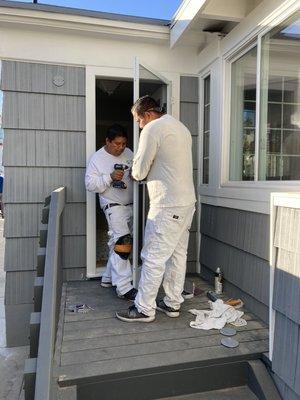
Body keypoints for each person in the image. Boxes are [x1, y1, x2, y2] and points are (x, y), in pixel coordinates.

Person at [116, 96, 196, 322]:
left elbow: (139, 172)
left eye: (139, 120)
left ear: (148, 115)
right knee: (178, 255)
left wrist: (133, 170)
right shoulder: (181, 127)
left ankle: (144, 309)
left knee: (152, 256)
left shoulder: (152, 129)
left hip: (167, 205)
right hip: (187, 202)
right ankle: (172, 303)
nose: (139, 125)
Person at [85, 124, 137, 300]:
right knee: (123, 243)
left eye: (123, 143)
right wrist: (109, 177)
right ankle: (124, 287)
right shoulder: (97, 158)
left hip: (131, 204)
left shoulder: (129, 153)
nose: (120, 147)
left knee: (117, 241)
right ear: (107, 141)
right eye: (116, 144)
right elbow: (90, 185)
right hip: (112, 205)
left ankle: (107, 278)